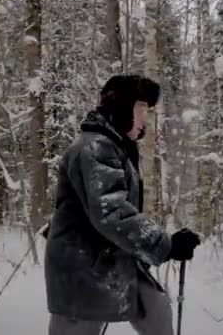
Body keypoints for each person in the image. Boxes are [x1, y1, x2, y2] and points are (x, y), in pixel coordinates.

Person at [44, 74, 201, 335]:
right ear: (121, 107)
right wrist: (165, 245)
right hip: (82, 267)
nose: (144, 120)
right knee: (80, 324)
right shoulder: (94, 148)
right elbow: (112, 212)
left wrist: (164, 242)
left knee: (156, 308)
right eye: (140, 109)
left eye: (148, 111)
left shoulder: (116, 147)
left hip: (113, 259)